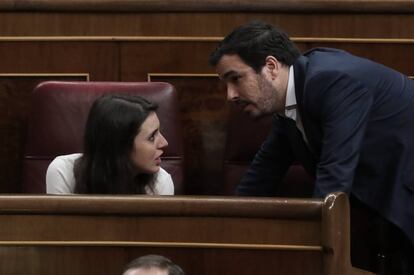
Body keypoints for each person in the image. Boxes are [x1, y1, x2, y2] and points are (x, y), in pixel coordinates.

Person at [210, 21, 414, 274]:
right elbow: (262, 174)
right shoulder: (293, 101)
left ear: (271, 67)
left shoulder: (331, 80)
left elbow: (334, 179)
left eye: (236, 79)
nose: (230, 95)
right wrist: (224, 230)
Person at [46, 94, 174, 195]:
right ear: (119, 145)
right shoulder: (63, 171)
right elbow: (61, 228)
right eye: (152, 137)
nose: (164, 143)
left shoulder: (162, 182)